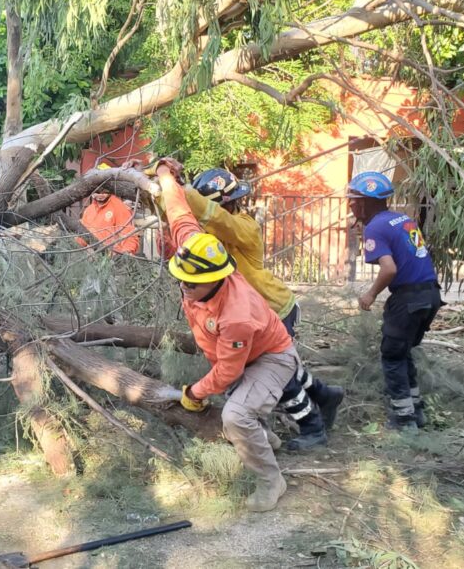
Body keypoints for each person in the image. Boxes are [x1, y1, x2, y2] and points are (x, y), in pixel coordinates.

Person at [138, 160, 343, 449]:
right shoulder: (203, 240)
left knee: (278, 377)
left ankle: (313, 427)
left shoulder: (244, 226)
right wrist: (159, 185)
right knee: (288, 367)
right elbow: (178, 215)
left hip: (274, 308)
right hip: (254, 311)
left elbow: (217, 219)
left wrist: (180, 187)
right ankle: (325, 395)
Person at [155, 160, 293, 512]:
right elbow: (178, 212)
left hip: (272, 357)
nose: (183, 286)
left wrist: (194, 392)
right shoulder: (196, 249)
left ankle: (270, 480)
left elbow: (229, 371)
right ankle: (264, 437)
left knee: (234, 415)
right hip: (241, 354)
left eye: (191, 283)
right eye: (181, 278)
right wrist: (165, 176)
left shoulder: (236, 316)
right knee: (240, 401)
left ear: (215, 279)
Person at [347, 171, 442, 431]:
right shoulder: (402, 219)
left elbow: (389, 269)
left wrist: (370, 294)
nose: (351, 205)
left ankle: (403, 421)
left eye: (354, 200)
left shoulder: (375, 226)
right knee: (402, 353)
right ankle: (416, 411)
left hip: (408, 299)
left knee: (391, 356)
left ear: (366, 202)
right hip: (431, 294)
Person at [76, 162, 140, 256]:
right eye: (97, 192)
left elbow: (128, 233)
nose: (100, 195)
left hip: (112, 259)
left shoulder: (118, 207)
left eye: (104, 191)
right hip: (92, 258)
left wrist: (127, 252)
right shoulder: (89, 210)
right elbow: (81, 239)